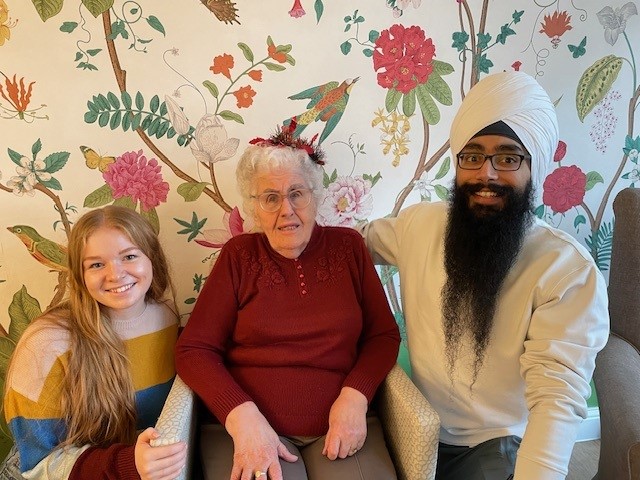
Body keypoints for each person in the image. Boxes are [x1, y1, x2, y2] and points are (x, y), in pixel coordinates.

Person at [360, 71, 609, 480]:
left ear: (535, 167)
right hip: (414, 423)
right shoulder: (419, 225)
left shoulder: (566, 270)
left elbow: (556, 397)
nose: (486, 175)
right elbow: (354, 245)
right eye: (472, 156)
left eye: (508, 157)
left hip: (499, 444)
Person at [175, 122, 400, 480]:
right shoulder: (239, 256)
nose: (286, 209)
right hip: (250, 426)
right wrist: (241, 415)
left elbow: (383, 336)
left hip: (340, 424)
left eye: (297, 192)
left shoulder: (349, 248)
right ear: (254, 205)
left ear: (316, 194)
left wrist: (356, 396)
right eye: (270, 197)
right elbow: (194, 350)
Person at [2, 205, 187, 480]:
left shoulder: (168, 318)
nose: (115, 275)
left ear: (152, 260)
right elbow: (38, 465)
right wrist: (127, 464)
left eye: (129, 256)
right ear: (80, 275)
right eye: (97, 264)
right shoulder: (45, 343)